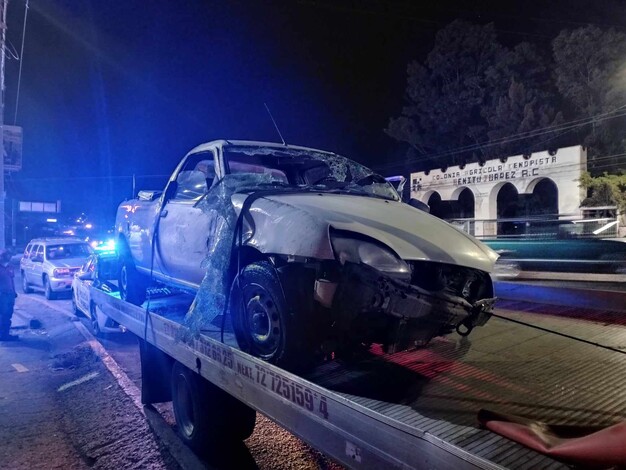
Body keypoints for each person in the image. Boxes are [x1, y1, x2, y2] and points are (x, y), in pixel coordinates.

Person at [0, 249, 18, 341]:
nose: (9, 257)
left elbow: (12, 280)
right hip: (2, 295)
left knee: (8, 314)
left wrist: (14, 292)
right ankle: (2, 335)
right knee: (3, 315)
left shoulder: (10, 267)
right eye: (6, 255)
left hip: (10, 295)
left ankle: (6, 334)